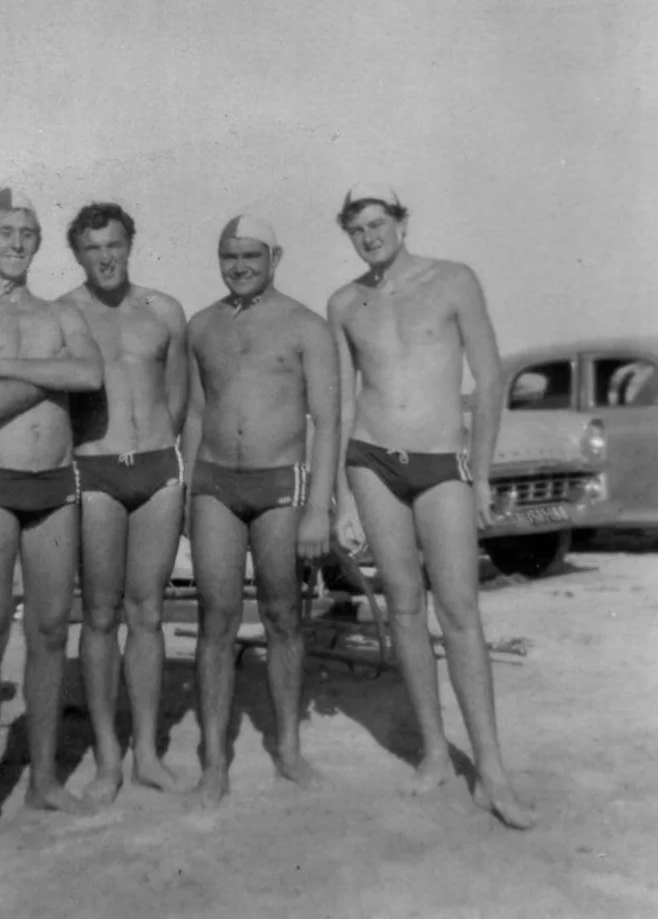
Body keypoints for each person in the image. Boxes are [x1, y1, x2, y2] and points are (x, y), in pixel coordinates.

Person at [328, 183, 536, 830]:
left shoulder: (452, 280)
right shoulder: (344, 302)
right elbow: (338, 402)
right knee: (404, 604)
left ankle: (493, 770)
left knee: (460, 609)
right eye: (356, 228)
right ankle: (433, 753)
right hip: (370, 459)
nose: (368, 235)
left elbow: (489, 374)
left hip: (441, 459)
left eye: (377, 222)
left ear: (400, 220)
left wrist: (479, 477)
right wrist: (339, 496)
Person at [0, 188, 104, 845]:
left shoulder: (59, 312)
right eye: (3, 232)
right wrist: (50, 373)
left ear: (38, 243)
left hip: (54, 483)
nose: (15, 243)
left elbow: (91, 374)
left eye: (27, 233)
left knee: (47, 631)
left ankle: (40, 779)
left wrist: (14, 365)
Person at [183, 215, 339, 808]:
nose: (240, 266)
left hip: (281, 482)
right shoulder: (202, 326)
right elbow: (196, 414)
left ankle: (290, 750)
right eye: (229, 256)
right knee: (215, 618)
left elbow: (327, 423)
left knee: (282, 614)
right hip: (215, 484)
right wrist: (188, 490)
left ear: (276, 255)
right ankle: (214, 762)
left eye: (251, 255)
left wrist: (320, 508)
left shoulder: (306, 326)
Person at [57, 203, 188, 806]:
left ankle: (148, 755)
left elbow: (180, 399)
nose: (105, 257)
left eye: (114, 244)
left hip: (159, 470)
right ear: (77, 254)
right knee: (102, 615)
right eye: (92, 248)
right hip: (97, 471)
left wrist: (165, 458)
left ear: (131, 244)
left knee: (149, 614)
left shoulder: (164, 311)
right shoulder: (64, 314)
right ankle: (107, 755)